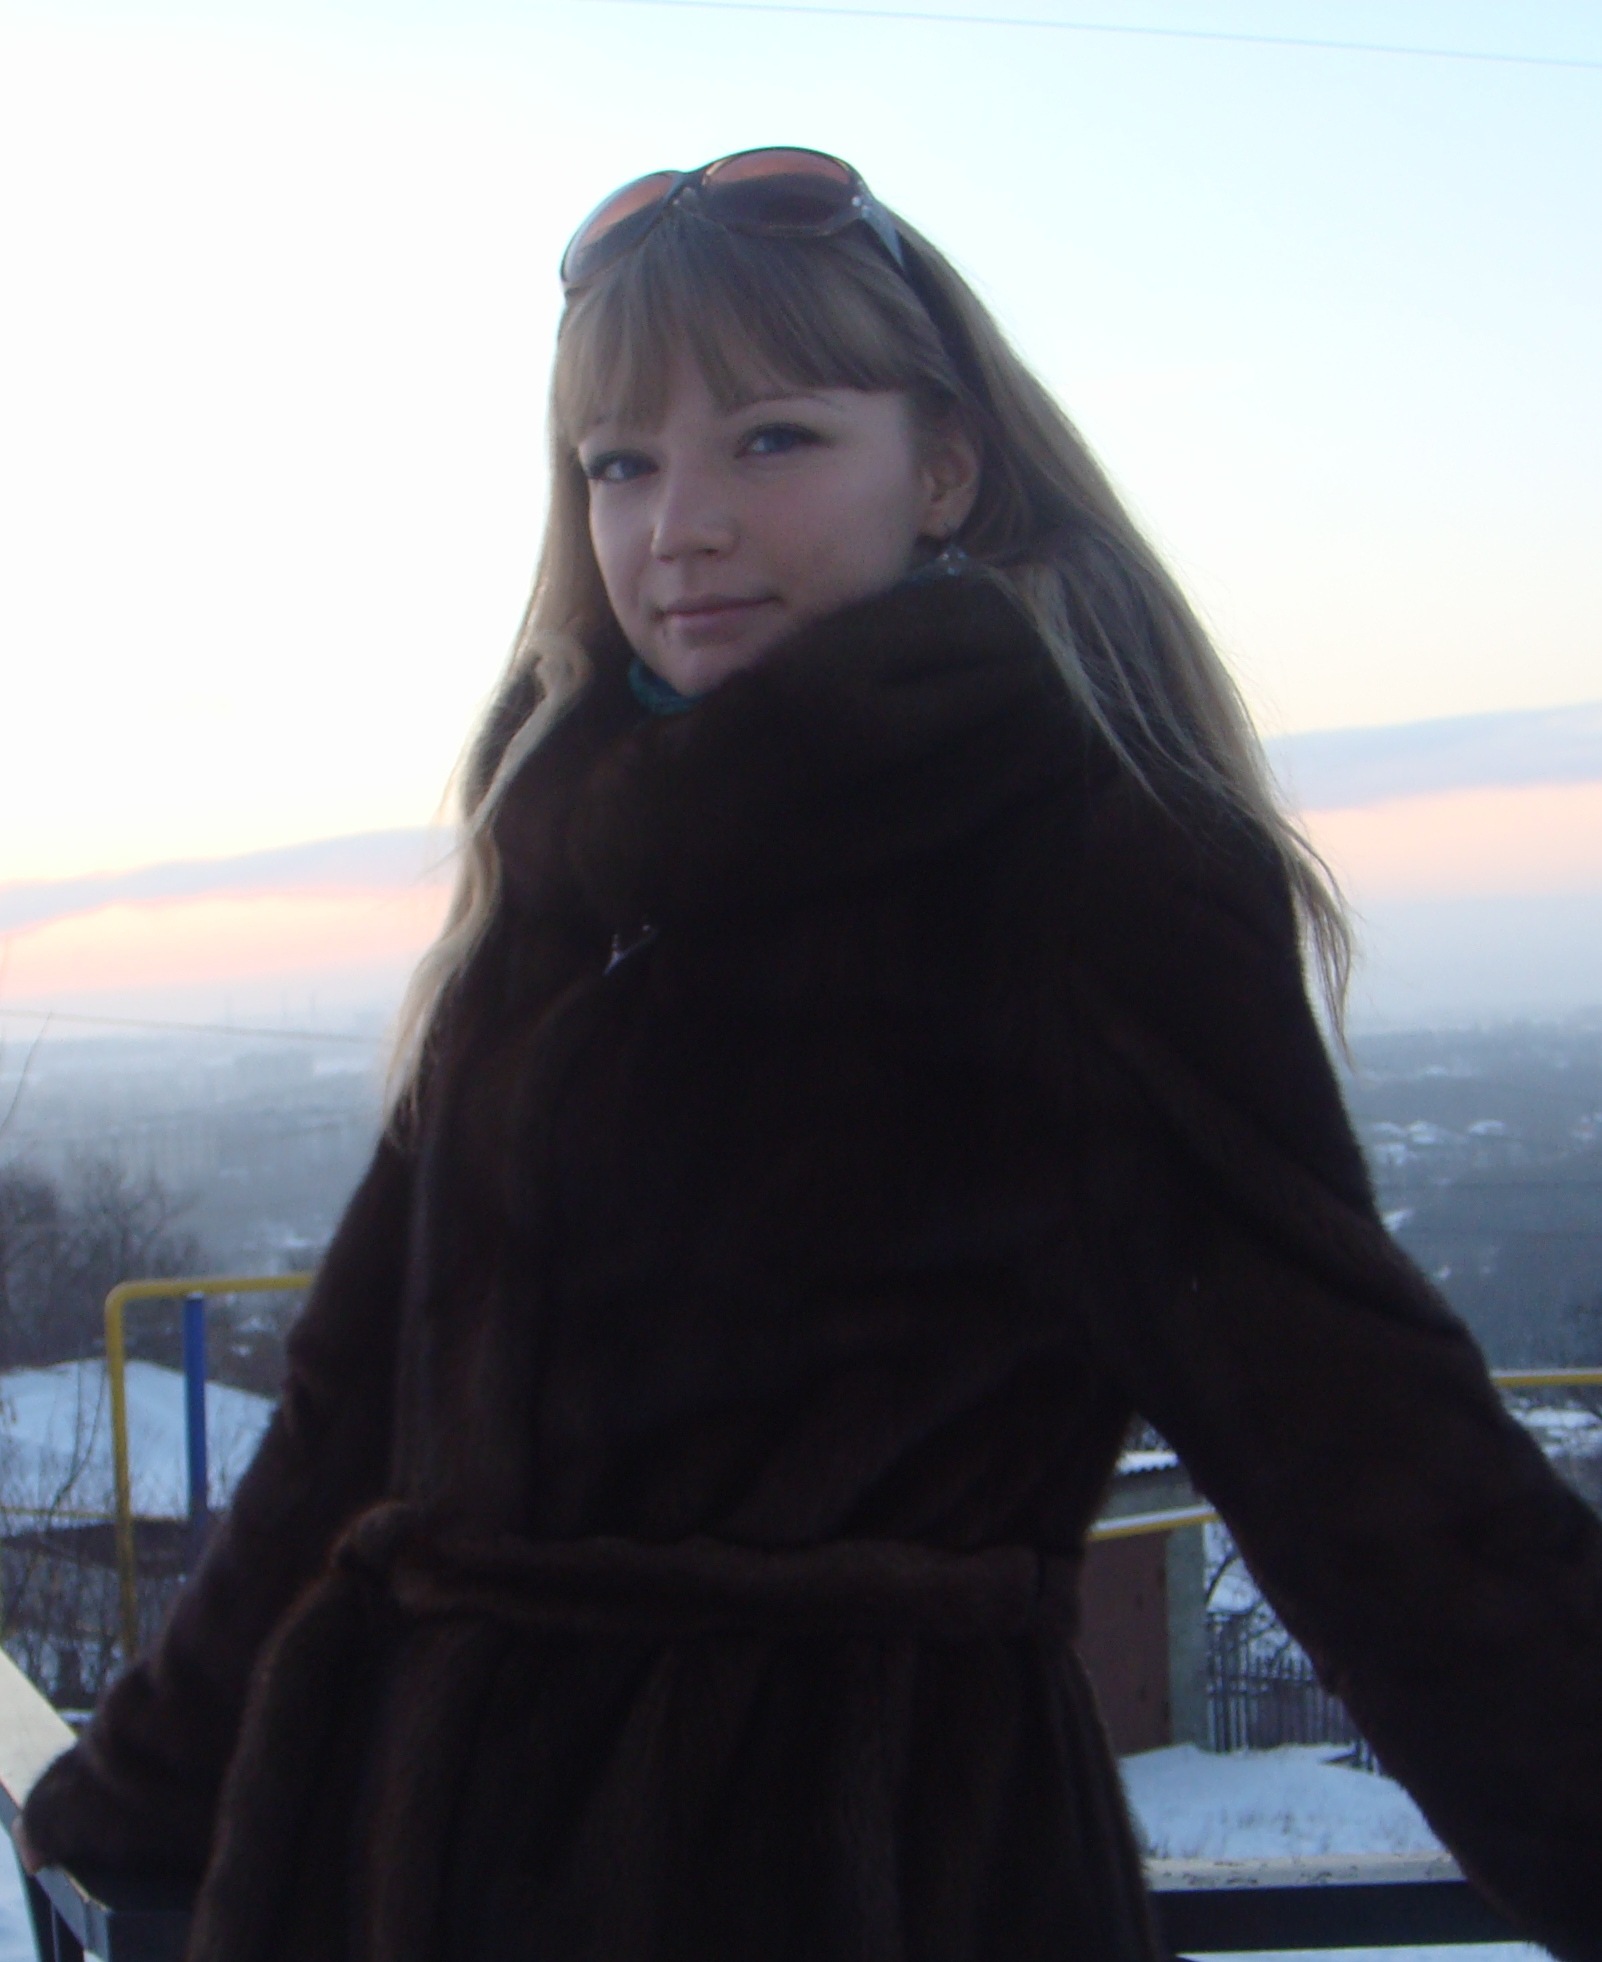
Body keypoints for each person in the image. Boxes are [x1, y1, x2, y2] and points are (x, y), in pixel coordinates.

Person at [16, 148, 1602, 1962]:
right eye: (618, 462)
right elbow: (352, 1408)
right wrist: (140, 1799)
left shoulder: (1077, 873)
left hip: (848, 1877)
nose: (675, 526)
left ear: (943, 467)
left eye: (770, 439)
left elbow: (1378, 1471)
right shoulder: (562, 868)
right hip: (408, 1879)